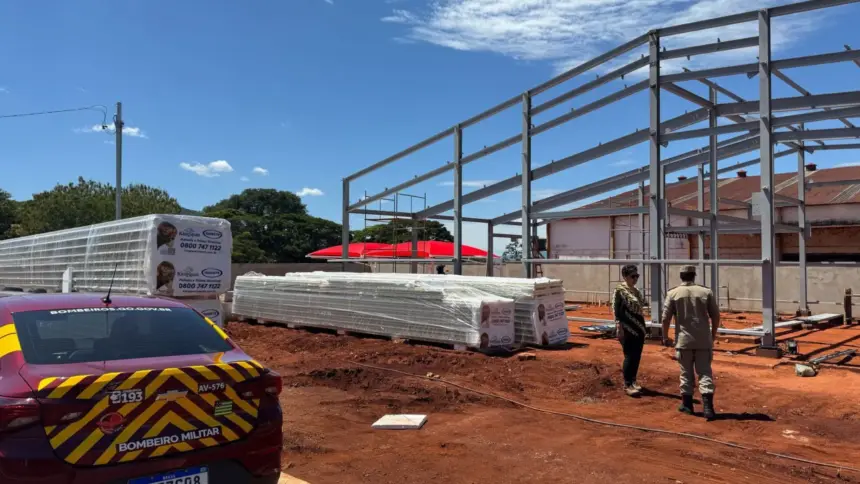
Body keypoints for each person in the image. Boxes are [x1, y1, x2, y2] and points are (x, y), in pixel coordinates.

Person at [661, 265, 721, 421]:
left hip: (683, 341)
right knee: (705, 373)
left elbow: (665, 318)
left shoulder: (673, 293)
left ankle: (687, 406)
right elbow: (715, 316)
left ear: (681, 276)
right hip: (703, 341)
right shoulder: (706, 292)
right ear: (694, 276)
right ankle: (708, 408)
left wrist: (664, 337)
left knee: (686, 373)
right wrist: (712, 335)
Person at [612, 264, 647, 397]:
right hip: (627, 327)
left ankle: (633, 380)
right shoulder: (620, 290)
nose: (635, 279)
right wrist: (618, 327)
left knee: (637, 356)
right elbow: (615, 309)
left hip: (638, 327)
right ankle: (627, 384)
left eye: (636, 276)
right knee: (629, 355)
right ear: (625, 277)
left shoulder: (636, 291)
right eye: (633, 276)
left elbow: (642, 305)